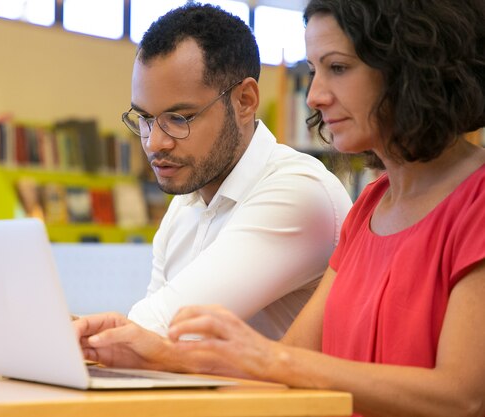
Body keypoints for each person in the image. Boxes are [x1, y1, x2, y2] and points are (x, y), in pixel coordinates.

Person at [75, 0, 485, 416]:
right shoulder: (371, 207)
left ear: (410, 66)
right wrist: (163, 354)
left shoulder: (476, 205)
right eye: (313, 71)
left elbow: (463, 396)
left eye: (338, 68)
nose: (315, 96)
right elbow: (287, 363)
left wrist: (260, 358)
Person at [116, 4, 352, 340]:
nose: (155, 142)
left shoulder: (299, 192)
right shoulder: (187, 202)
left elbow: (166, 329)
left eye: (179, 119)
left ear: (244, 100)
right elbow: (147, 334)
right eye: (143, 119)